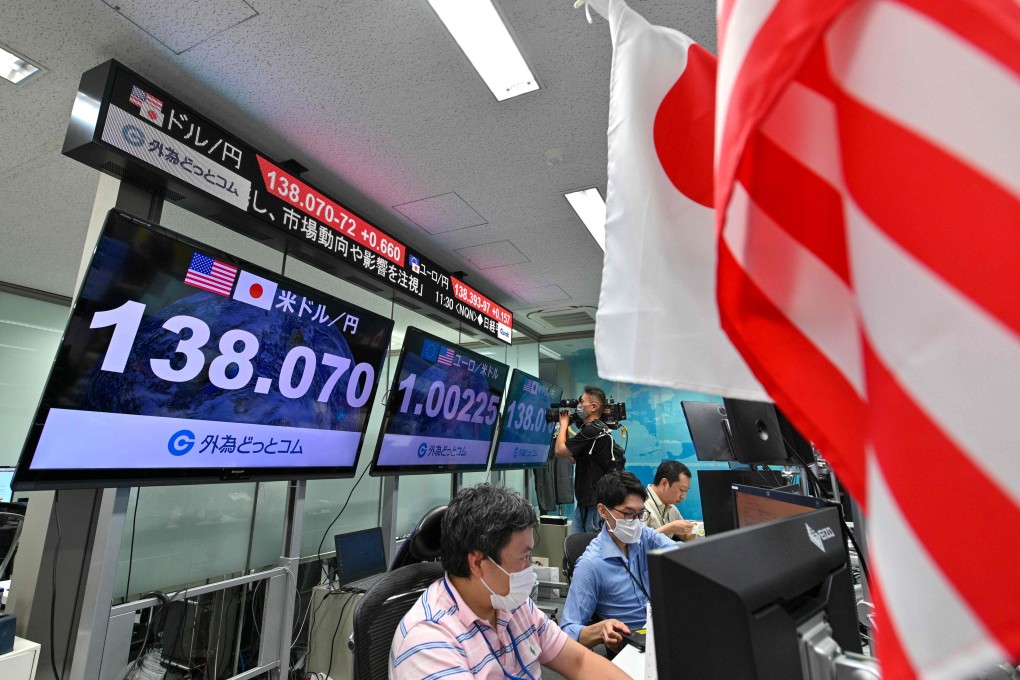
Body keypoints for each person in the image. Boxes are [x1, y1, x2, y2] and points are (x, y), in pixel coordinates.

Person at [389, 484, 630, 680]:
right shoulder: (428, 643)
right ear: (478, 563)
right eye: (524, 558)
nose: (530, 568)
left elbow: (579, 662)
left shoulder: (512, 604)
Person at [560, 471, 677, 650]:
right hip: (633, 647)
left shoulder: (645, 536)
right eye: (628, 514)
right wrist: (600, 630)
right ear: (603, 511)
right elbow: (567, 631)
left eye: (640, 514)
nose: (636, 522)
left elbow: (681, 556)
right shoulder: (591, 565)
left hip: (663, 629)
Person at [553, 385, 621, 533]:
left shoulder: (593, 430)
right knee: (578, 549)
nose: (578, 405)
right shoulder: (593, 430)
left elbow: (559, 451)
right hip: (585, 503)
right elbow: (571, 458)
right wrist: (566, 431)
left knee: (592, 550)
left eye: (581, 401)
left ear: (594, 407)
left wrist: (563, 424)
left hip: (594, 506)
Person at [645, 460, 698, 541]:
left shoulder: (671, 508)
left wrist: (696, 529)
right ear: (664, 483)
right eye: (681, 489)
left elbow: (685, 537)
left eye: (686, 491)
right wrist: (670, 528)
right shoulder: (640, 504)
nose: (683, 496)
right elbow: (638, 543)